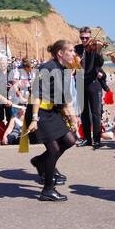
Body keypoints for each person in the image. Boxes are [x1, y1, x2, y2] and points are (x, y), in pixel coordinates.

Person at [24, 40, 78, 202]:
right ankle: (47, 189)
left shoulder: (65, 71)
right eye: (71, 51)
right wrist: (34, 119)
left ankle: (40, 161)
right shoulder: (46, 68)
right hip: (39, 111)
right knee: (54, 150)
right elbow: (36, 93)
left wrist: (73, 119)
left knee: (69, 140)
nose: (74, 54)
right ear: (60, 53)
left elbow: (65, 100)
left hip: (53, 112)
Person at [75, 27, 106, 150]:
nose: (84, 40)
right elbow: (73, 63)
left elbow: (100, 63)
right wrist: (78, 59)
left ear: (90, 37)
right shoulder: (77, 49)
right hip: (81, 82)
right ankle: (87, 139)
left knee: (95, 113)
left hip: (93, 83)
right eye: (82, 38)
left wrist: (98, 50)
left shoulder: (95, 47)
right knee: (84, 113)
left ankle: (97, 140)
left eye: (86, 38)